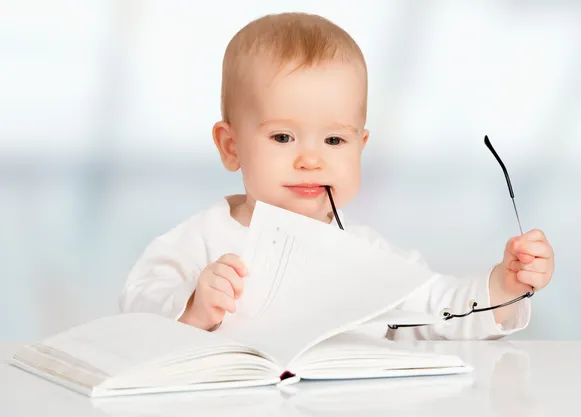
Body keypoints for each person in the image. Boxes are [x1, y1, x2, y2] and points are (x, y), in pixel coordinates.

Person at [119, 12, 554, 340]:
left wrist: (504, 285)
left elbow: (439, 311)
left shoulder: (365, 254)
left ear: (361, 147)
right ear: (231, 147)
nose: (312, 160)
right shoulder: (204, 238)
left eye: (334, 141)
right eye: (284, 136)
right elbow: (137, 302)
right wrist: (193, 306)